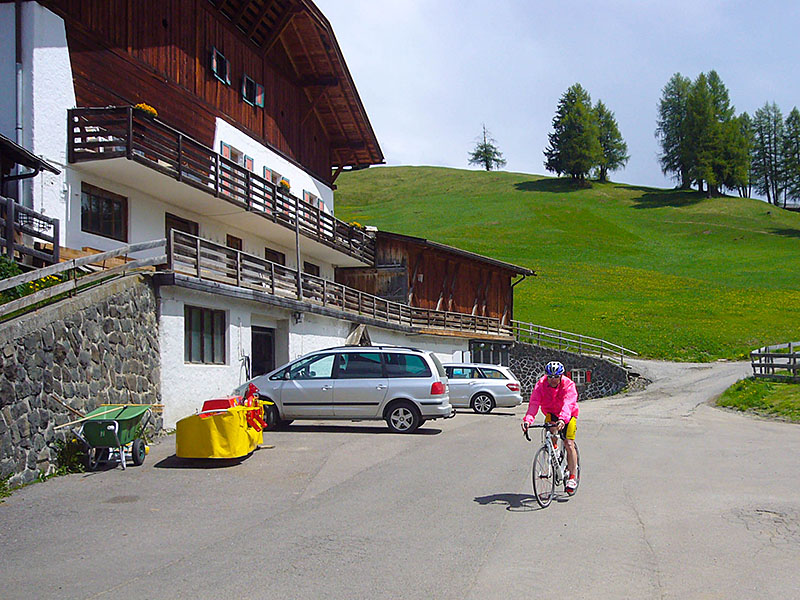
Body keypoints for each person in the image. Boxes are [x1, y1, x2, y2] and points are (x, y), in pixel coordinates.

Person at [521, 361, 579, 495]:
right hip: (551, 413)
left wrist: (563, 419)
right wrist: (528, 420)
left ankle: (572, 477)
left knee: (569, 443)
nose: (553, 380)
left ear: (561, 376)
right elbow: (534, 403)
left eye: (556, 377)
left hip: (568, 415)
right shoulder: (541, 385)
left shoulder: (568, 385)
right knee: (551, 434)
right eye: (550, 376)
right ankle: (555, 451)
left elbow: (568, 403)